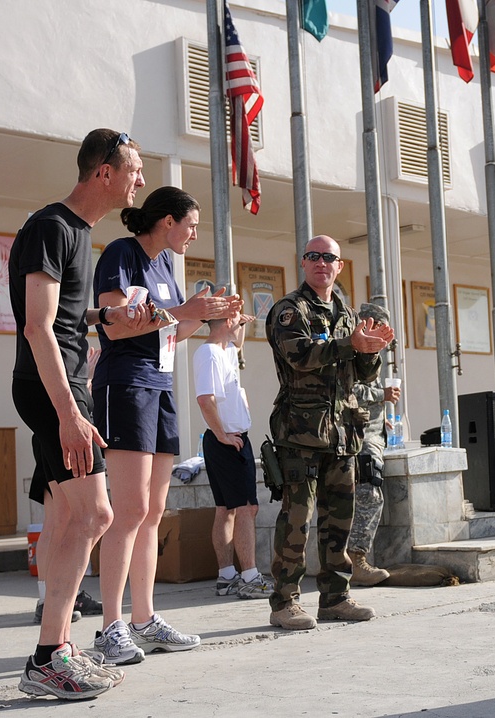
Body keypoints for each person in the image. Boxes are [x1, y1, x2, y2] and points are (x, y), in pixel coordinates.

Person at [10, 128, 149, 699]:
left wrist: (106, 320)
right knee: (98, 515)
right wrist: (69, 413)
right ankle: (48, 657)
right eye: (134, 170)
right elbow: (36, 326)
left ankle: (56, 650)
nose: (140, 180)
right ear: (104, 174)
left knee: (69, 519)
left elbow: (64, 318)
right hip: (54, 389)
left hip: (63, 383)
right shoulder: (52, 226)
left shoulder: (76, 233)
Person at [90, 186, 242, 665]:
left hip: (160, 387)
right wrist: (185, 311)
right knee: (129, 510)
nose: (194, 234)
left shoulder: (166, 269)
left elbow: (171, 329)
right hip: (126, 386)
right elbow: (114, 325)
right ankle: (110, 627)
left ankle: (145, 620)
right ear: (167, 220)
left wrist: (210, 315)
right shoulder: (122, 253)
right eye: (190, 224)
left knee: (154, 513)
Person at [265, 235, 394, 630]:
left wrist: (370, 350)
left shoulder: (348, 314)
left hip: (342, 431)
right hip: (301, 433)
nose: (322, 263)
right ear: (304, 263)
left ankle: (335, 598)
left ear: (340, 266)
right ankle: (285, 602)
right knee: (297, 519)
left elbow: (363, 374)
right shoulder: (290, 310)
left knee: (339, 520)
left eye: (329, 258)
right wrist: (348, 344)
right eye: (314, 256)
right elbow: (299, 355)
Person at [193, 310, 274, 599]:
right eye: (235, 318)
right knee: (246, 508)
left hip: (228, 439)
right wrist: (221, 435)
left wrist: (240, 320)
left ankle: (227, 576)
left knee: (227, 509)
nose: (240, 322)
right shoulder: (210, 354)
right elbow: (205, 399)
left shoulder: (225, 349)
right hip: (227, 440)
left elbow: (237, 343)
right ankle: (249, 576)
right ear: (226, 322)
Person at [30, 348, 104, 625]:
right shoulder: (53, 347)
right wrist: (88, 378)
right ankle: (49, 598)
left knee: (63, 518)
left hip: (58, 433)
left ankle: (53, 595)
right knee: (62, 518)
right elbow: (66, 395)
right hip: (59, 433)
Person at [346, 302, 402, 587]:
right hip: (357, 436)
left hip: (372, 431)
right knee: (370, 490)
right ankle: (358, 559)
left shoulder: (371, 352)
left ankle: (349, 557)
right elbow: (346, 388)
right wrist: (381, 394)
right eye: (379, 330)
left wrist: (381, 420)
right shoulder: (349, 347)